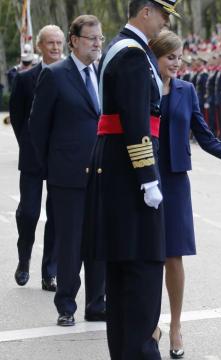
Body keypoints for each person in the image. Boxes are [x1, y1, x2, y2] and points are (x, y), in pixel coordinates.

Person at [83, 1, 179, 358]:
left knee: (123, 274)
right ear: (146, 12)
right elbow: (138, 122)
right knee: (142, 274)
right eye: (163, 14)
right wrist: (148, 178)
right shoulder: (133, 55)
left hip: (117, 172)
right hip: (130, 177)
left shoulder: (121, 49)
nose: (165, 22)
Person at [148, 30, 221, 359]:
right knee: (146, 255)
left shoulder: (187, 90)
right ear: (155, 56)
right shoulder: (139, 85)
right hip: (142, 175)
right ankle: (150, 323)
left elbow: (207, 139)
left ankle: (175, 325)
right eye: (170, 57)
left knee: (173, 256)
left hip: (174, 180)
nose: (176, 63)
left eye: (179, 57)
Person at [29, 15, 106, 327]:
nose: (97, 44)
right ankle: (66, 305)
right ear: (74, 41)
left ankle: (97, 302)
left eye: (100, 38)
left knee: (99, 242)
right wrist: (52, 167)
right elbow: (37, 127)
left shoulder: (105, 74)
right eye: (91, 38)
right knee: (71, 243)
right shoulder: (55, 75)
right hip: (67, 176)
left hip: (102, 173)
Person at [9, 25, 64, 292]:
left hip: (60, 158)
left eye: (59, 43)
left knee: (56, 215)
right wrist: (30, 147)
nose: (55, 48)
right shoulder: (25, 78)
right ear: (40, 46)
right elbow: (18, 119)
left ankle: (49, 272)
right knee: (29, 213)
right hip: (32, 157)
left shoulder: (70, 77)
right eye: (50, 43)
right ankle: (24, 257)